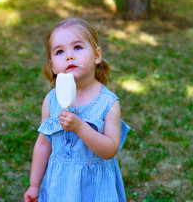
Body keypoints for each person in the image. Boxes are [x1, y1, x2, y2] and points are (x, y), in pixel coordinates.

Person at [23, 18, 130, 202]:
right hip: (60, 186)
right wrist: (34, 184)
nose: (69, 56)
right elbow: (43, 144)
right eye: (59, 51)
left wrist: (80, 127)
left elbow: (110, 149)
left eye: (78, 48)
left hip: (96, 186)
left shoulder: (108, 103)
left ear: (97, 56)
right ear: (52, 65)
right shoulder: (52, 100)